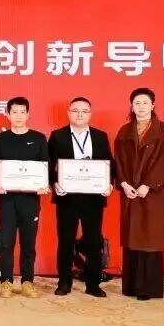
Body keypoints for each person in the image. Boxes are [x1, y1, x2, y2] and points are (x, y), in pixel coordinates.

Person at [47, 96, 113, 298]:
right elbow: (49, 165)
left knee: (93, 241)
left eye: (84, 111)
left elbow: (109, 163)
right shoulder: (57, 136)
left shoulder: (100, 136)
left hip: (93, 197)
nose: (80, 114)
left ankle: (93, 284)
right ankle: (64, 282)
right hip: (67, 197)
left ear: (90, 114)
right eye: (75, 111)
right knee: (65, 240)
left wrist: (109, 184)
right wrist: (54, 184)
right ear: (69, 113)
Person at [113, 88, 164, 301]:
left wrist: (148, 185)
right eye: (137, 103)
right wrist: (123, 183)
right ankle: (131, 286)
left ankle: (148, 288)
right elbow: (118, 160)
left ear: (153, 105)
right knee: (132, 237)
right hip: (130, 192)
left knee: (150, 237)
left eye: (145, 102)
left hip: (153, 193)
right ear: (131, 106)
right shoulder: (124, 131)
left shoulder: (162, 129)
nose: (141, 107)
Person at [0, 96, 50, 299]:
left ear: (28, 114)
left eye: (22, 112)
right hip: (7, 199)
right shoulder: (0, 139)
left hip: (30, 199)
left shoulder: (39, 138)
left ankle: (27, 281)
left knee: (28, 242)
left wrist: (44, 185)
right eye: (14, 112)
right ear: (7, 115)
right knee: (6, 242)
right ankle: (6, 282)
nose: (18, 116)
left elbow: (45, 165)